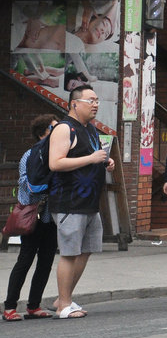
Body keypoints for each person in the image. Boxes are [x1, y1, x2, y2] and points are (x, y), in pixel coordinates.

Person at [46, 84, 114, 319]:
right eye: (90, 100)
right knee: (69, 252)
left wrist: (105, 161)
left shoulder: (91, 130)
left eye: (97, 100)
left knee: (86, 251)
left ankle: (63, 298)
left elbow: (93, 156)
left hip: (90, 202)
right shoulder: (64, 129)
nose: (95, 104)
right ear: (75, 104)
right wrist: (91, 158)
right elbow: (55, 163)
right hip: (69, 202)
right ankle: (64, 305)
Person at [3, 114, 60, 322]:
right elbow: (27, 189)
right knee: (25, 260)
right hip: (33, 217)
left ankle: (34, 306)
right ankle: (9, 307)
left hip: (50, 218)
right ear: (41, 134)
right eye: (53, 129)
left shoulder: (57, 155)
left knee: (46, 262)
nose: (57, 133)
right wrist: (47, 187)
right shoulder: (31, 155)